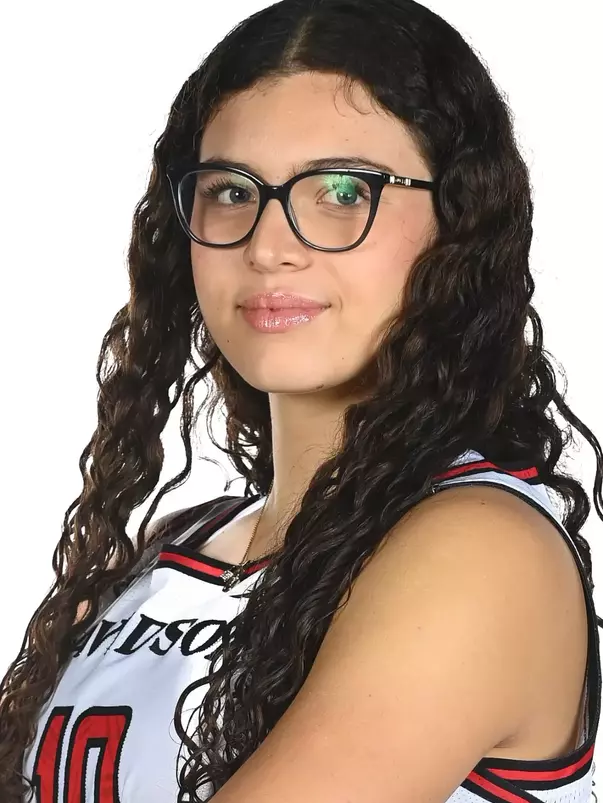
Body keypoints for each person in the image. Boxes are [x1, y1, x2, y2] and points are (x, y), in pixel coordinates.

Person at [1, 0, 602, 801]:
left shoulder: (481, 549)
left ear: (460, 223)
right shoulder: (169, 553)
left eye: (344, 191)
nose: (267, 245)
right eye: (231, 190)